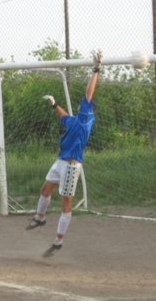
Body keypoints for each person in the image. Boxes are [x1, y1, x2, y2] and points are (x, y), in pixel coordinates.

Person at [26, 51, 102, 257]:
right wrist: (54, 104)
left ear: (90, 110)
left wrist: (96, 69)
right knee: (45, 189)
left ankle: (58, 241)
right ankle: (40, 217)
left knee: (66, 203)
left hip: (71, 166)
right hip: (60, 162)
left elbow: (89, 93)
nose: (82, 104)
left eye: (85, 105)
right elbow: (63, 116)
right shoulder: (74, 121)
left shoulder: (86, 118)